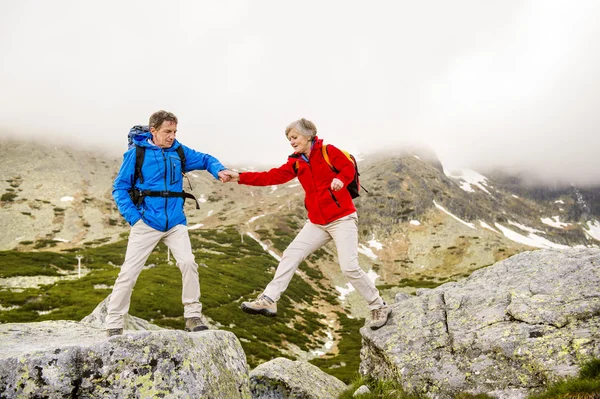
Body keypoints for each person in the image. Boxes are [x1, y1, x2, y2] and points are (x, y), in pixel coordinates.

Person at [223, 118, 391, 330]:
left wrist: (341, 179)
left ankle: (379, 306)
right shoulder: (296, 162)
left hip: (342, 218)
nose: (291, 141)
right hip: (317, 223)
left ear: (309, 135)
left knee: (349, 267)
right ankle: (269, 299)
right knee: (290, 254)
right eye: (289, 139)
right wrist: (238, 176)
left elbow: (347, 168)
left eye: (294, 137)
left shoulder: (328, 151)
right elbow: (271, 176)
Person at [105, 110, 231, 337]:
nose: (172, 136)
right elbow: (120, 188)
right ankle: (113, 324)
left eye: (174, 131)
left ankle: (193, 316)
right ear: (153, 131)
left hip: (175, 221)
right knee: (129, 273)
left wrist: (218, 169)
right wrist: (134, 218)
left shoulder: (179, 151)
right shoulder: (137, 154)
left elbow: (204, 159)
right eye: (167, 132)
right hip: (146, 222)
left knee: (188, 263)